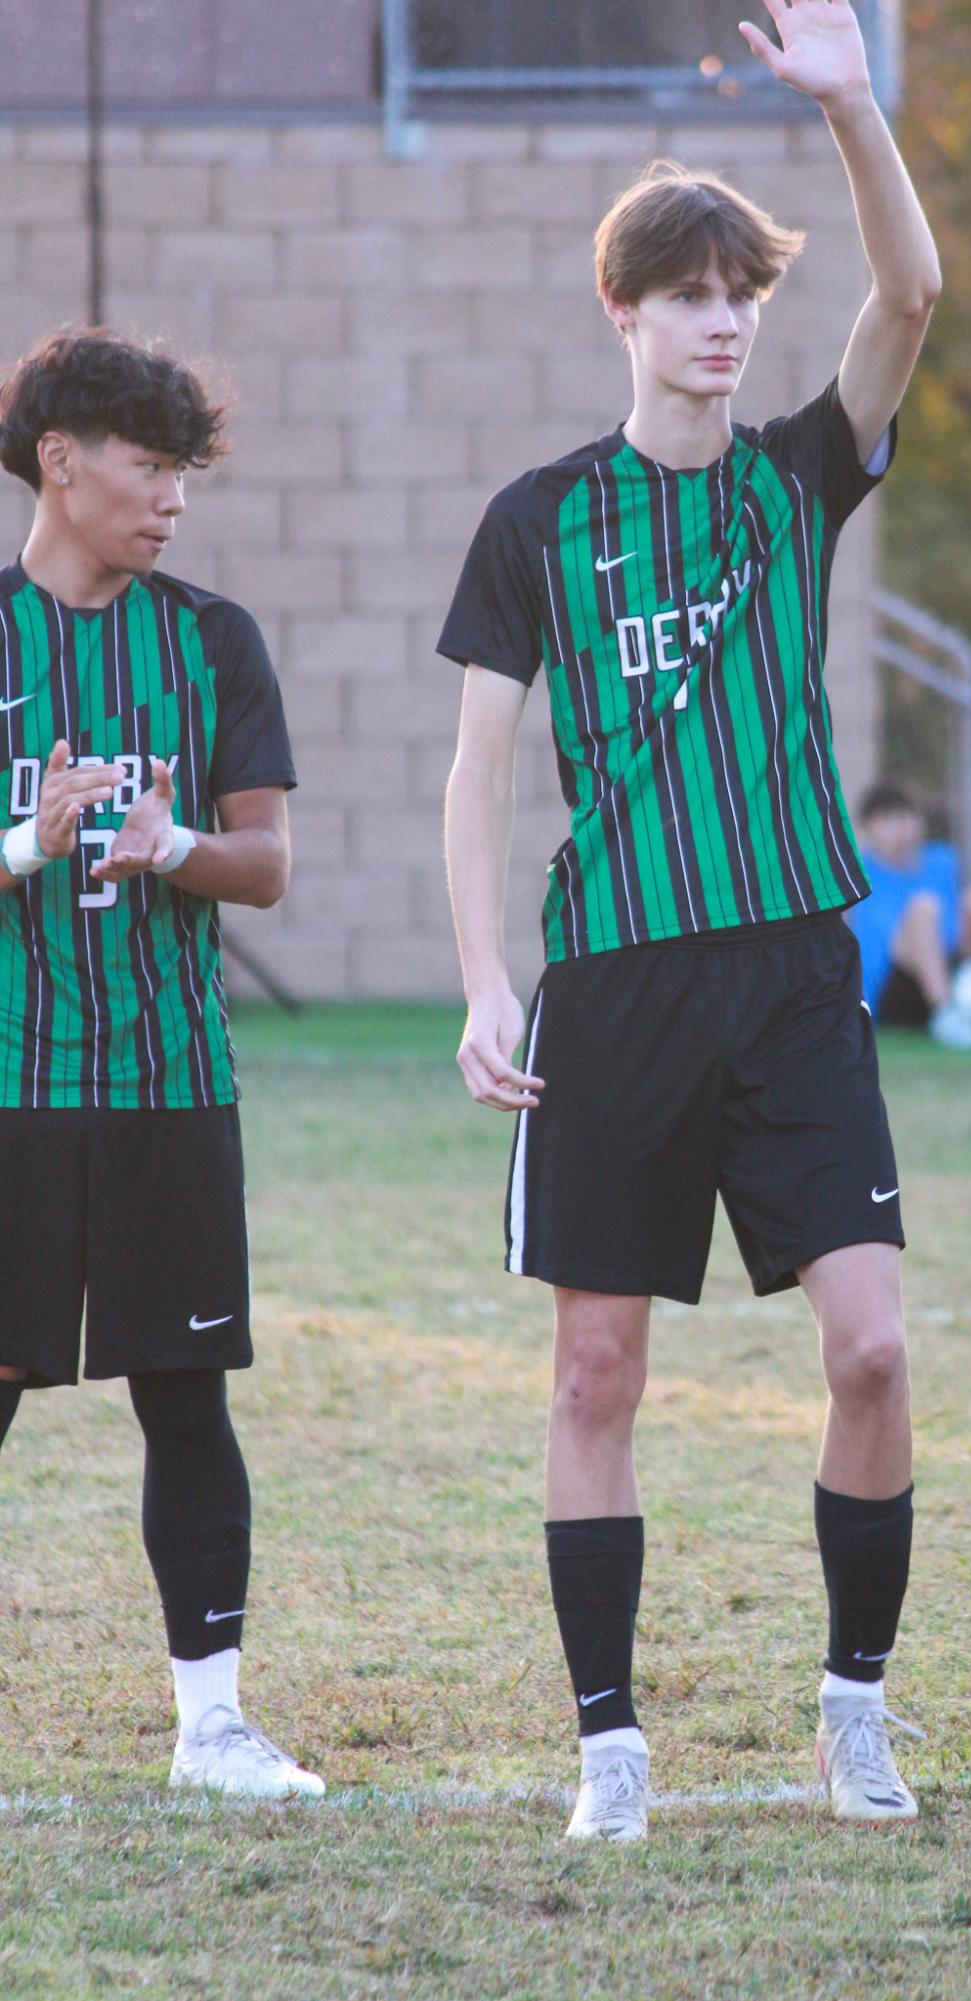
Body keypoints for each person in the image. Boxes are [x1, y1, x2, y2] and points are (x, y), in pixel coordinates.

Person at [441, 0, 940, 1838]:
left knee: (873, 1346)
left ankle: (850, 1711)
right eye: (687, 293)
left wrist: (851, 114)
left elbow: (907, 295)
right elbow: (477, 771)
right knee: (595, 1367)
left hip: (796, 970)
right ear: (623, 313)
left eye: (741, 291)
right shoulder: (537, 522)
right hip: (616, 990)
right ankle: (609, 1752)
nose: (723, 319)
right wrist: (488, 978)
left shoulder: (797, 478)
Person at [0, 329, 322, 1799]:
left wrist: (175, 844)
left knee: (185, 1397)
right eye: (150, 464)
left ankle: (212, 1726)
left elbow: (267, 863)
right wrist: (29, 842)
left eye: (187, 471)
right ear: (61, 461)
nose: (174, 497)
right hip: (11, 1090)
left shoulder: (212, 638)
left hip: (170, 1083)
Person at [847, 780, 971, 1048]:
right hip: (896, 988)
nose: (900, 828)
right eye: (887, 819)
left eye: (906, 816)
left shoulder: (942, 861)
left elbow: (955, 929)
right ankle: (946, 1015)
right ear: (869, 828)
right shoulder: (859, 872)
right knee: (923, 907)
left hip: (949, 967)